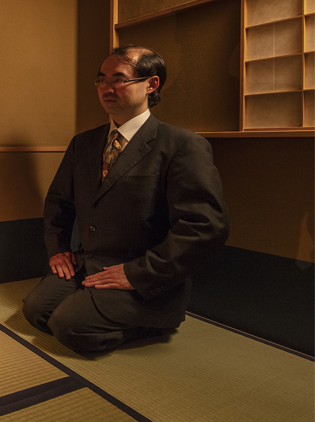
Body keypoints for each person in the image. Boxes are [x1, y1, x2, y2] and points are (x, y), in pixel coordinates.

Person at [22, 45, 229, 352]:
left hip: (141, 273)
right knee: (36, 310)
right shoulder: (85, 143)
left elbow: (205, 227)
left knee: (70, 328)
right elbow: (58, 202)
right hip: (89, 262)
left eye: (118, 78)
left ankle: (156, 319)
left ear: (151, 84)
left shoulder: (181, 145)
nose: (107, 87)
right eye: (102, 79)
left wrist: (136, 273)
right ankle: (89, 308)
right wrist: (58, 249)